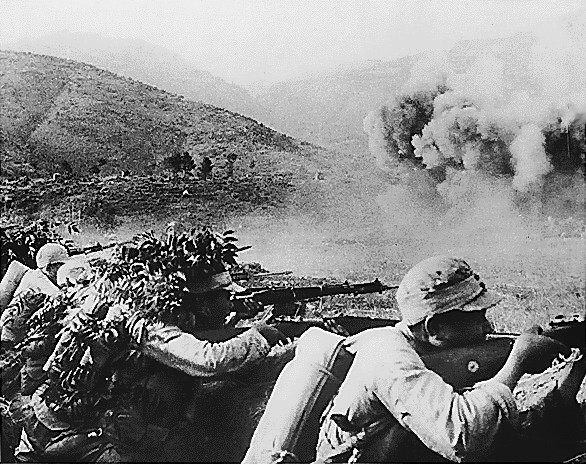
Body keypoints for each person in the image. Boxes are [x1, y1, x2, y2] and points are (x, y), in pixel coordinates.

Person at [12, 232, 288, 463]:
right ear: (201, 302)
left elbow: (196, 337)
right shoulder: (150, 324)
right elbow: (206, 360)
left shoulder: (131, 305)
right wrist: (261, 335)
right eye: (225, 297)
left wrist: (235, 318)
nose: (231, 302)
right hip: (73, 432)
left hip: (53, 414)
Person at [315, 255, 572, 463]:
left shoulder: (413, 349)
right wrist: (518, 362)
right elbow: (462, 436)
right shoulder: (388, 356)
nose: (487, 328)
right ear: (434, 328)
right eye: (477, 317)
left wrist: (576, 368)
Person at [0, 243, 70, 349]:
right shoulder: (37, 279)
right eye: (60, 266)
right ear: (49, 267)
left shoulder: (36, 275)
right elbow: (60, 299)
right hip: (11, 336)